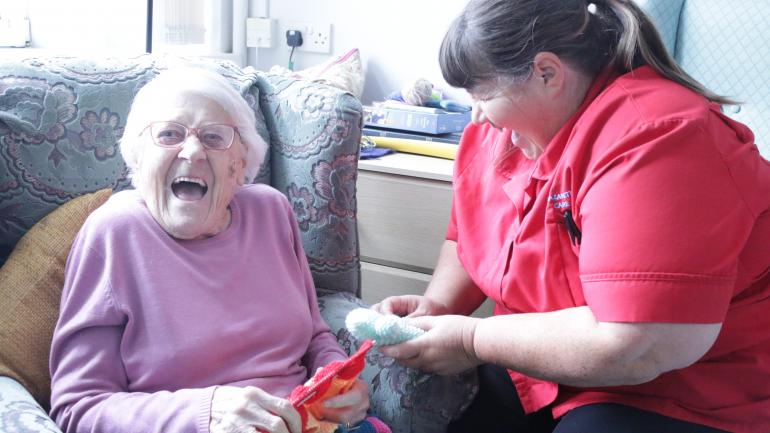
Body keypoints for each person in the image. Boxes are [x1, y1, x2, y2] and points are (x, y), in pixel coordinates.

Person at [373, 1, 770, 432]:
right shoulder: (504, 129)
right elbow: (469, 235)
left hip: (687, 388)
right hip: (549, 367)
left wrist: (471, 339)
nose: (478, 113)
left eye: (484, 95)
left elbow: (636, 344)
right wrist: (439, 306)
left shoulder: (660, 137)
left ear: (547, 73)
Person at [49, 67, 370, 433]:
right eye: (169, 134)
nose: (193, 151)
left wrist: (338, 380)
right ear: (137, 156)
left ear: (240, 163)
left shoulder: (272, 211)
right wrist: (205, 412)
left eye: (214, 138)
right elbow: (78, 406)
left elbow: (314, 333)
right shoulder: (114, 232)